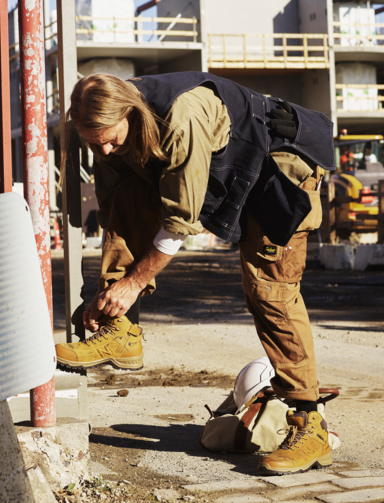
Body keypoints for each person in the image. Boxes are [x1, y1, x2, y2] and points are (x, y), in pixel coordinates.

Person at [55, 72, 336, 475]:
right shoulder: (105, 135)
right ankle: (122, 332)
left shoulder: (182, 116)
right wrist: (109, 294)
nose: (105, 149)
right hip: (226, 175)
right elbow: (113, 202)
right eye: (93, 142)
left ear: (130, 113)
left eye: (112, 139)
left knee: (268, 292)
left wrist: (134, 283)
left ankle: (309, 423)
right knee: (128, 199)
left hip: (278, 174)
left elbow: (181, 220)